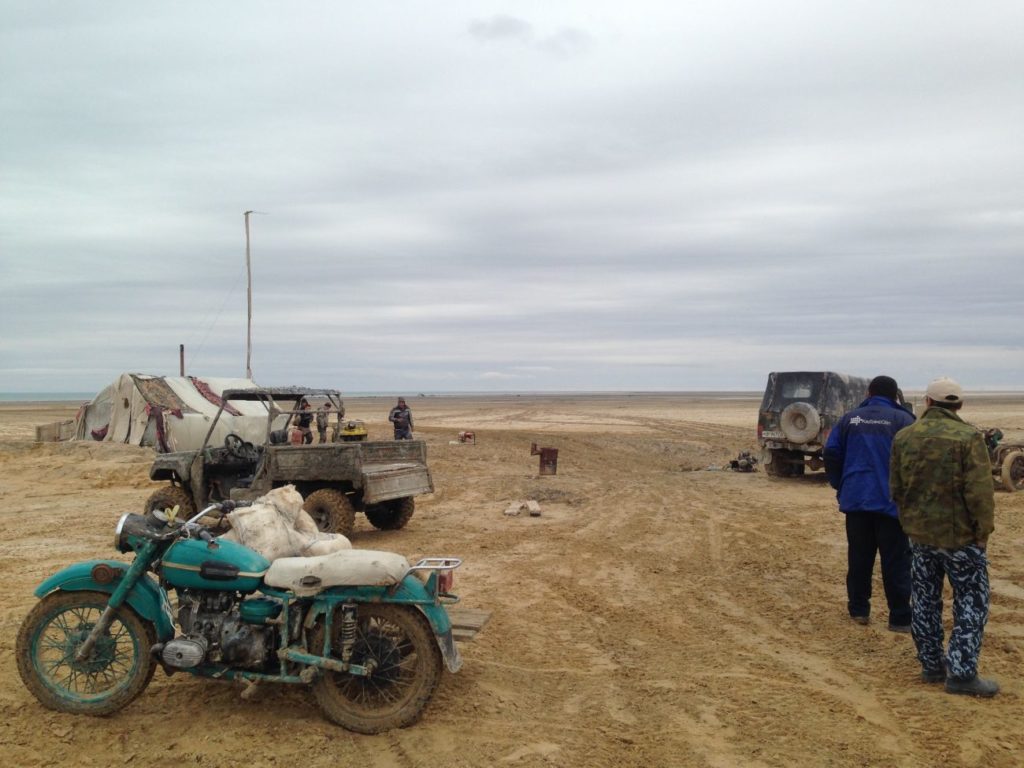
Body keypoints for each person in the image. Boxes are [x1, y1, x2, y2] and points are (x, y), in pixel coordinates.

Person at [890, 377, 998, 697]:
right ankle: (962, 674)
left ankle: (932, 665)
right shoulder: (968, 438)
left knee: (924, 598)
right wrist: (983, 534)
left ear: (927, 403)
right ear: (959, 406)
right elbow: (979, 492)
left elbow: (896, 489)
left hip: (920, 537)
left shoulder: (904, 437)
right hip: (962, 538)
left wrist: (910, 522)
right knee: (971, 599)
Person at [824, 375, 916, 632]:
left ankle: (859, 611)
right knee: (896, 560)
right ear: (896, 395)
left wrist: (840, 482)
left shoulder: (850, 419)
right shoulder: (904, 420)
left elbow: (830, 452)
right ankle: (899, 618)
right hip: (892, 504)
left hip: (857, 501)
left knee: (859, 558)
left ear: (868, 393)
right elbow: (915, 461)